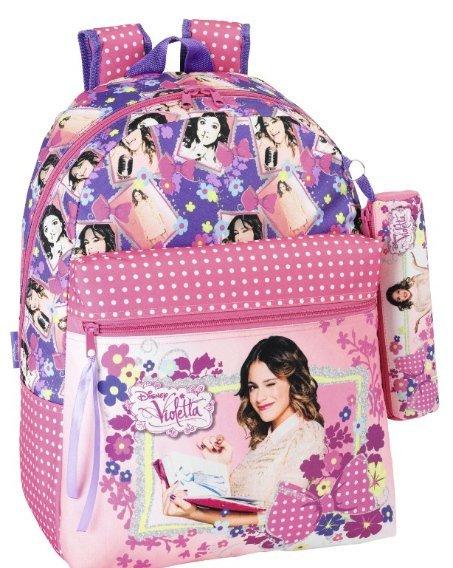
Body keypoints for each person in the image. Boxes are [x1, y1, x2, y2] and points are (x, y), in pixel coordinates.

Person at [161, 336, 325, 527]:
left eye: (270, 384)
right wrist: (220, 467)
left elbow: (284, 515)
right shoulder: (265, 442)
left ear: (293, 383)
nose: (259, 397)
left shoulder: (307, 433)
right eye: (253, 387)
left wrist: (196, 513)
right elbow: (239, 507)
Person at [386, 253, 432, 332]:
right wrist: (418, 319)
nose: (402, 295)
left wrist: (415, 266)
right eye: (398, 298)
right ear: (401, 302)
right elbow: (430, 306)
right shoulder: (417, 306)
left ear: (400, 287)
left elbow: (428, 273)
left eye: (398, 291)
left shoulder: (414, 281)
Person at [39, 204, 73, 270]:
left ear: (61, 223)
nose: (51, 230)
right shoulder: (50, 250)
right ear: (44, 235)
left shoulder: (67, 246)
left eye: (54, 223)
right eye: (46, 229)